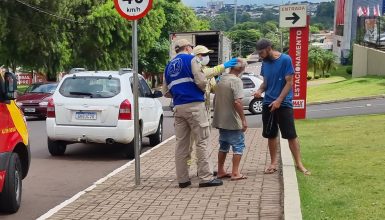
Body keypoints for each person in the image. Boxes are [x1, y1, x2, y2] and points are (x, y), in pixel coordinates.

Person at [162, 39, 223, 188]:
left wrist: (179, 94)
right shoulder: (192, 60)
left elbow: (165, 92)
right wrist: (203, 91)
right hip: (195, 105)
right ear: (188, 48)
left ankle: (183, 180)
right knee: (202, 141)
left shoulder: (168, 66)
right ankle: (206, 178)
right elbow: (201, 81)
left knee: (181, 145)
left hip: (178, 107)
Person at [252, 39, 311, 175]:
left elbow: (289, 82)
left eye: (261, 52)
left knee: (291, 134)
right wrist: (260, 91)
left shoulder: (285, 59)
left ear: (269, 48)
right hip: (268, 103)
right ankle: (273, 163)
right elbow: (265, 83)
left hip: (283, 103)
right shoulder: (264, 63)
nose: (260, 55)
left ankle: (299, 164)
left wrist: (279, 100)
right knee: (271, 135)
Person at [186, 45, 238, 170]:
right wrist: (224, 66)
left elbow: (215, 89)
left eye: (207, 55)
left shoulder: (208, 71)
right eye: (203, 55)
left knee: (203, 144)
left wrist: (222, 82)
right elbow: (206, 74)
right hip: (194, 111)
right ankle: (186, 169)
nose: (206, 57)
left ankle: (202, 169)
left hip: (205, 113)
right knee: (188, 145)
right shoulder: (194, 69)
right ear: (196, 57)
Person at [212, 58, 248, 181]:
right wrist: (243, 120)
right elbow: (237, 102)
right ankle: (235, 173)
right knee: (238, 145)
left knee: (224, 145)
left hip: (221, 120)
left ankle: (221, 171)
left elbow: (215, 99)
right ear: (241, 68)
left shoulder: (221, 79)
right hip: (232, 120)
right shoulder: (236, 81)